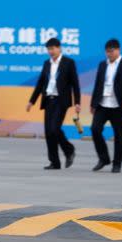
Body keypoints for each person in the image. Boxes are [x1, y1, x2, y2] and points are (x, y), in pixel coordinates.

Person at [26, 38, 81, 170]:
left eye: (53, 48)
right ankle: (54, 162)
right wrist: (31, 101)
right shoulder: (47, 63)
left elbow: (75, 84)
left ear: (59, 48)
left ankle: (69, 149)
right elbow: (40, 83)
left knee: (54, 129)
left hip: (61, 101)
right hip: (48, 100)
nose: (51, 51)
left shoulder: (69, 63)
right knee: (49, 132)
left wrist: (77, 102)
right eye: (49, 49)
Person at [90, 39, 122, 173]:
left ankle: (117, 164)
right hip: (102, 104)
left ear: (118, 50)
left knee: (119, 135)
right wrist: (93, 103)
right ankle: (104, 158)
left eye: (111, 51)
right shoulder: (102, 65)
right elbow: (98, 84)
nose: (109, 54)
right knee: (95, 129)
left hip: (119, 106)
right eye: (107, 52)